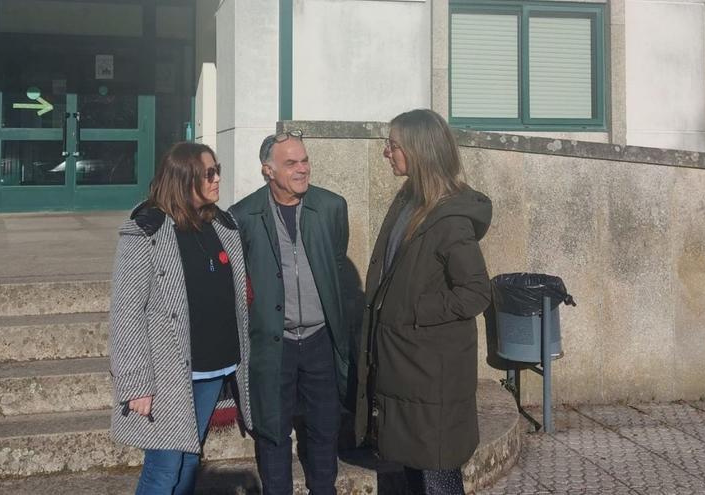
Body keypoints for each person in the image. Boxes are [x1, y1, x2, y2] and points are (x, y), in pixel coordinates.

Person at [354, 109, 492, 495]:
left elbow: (476, 292)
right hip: (407, 369)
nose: (386, 153)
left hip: (433, 378)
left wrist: (413, 311)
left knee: (438, 479)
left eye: (393, 145)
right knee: (415, 475)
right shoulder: (408, 202)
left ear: (418, 151)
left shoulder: (450, 219)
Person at [108, 142, 252, 495]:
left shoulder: (222, 223)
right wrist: (136, 383)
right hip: (168, 372)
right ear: (185, 179)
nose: (218, 178)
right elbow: (127, 311)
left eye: (217, 170)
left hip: (213, 367)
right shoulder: (148, 229)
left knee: (189, 458)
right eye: (209, 173)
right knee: (164, 466)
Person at [230, 130, 350, 495]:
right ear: (268, 170)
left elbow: (337, 261)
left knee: (325, 428)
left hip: (319, 340)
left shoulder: (331, 207)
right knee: (272, 430)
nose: (302, 169)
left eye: (305, 160)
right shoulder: (243, 215)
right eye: (291, 163)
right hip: (272, 342)